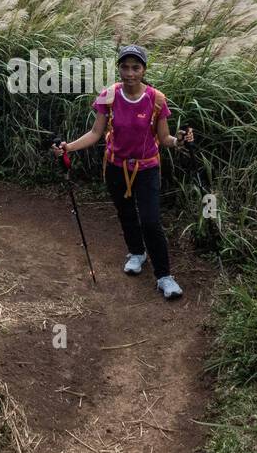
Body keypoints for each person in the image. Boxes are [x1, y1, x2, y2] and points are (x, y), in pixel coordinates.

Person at [51, 44, 194, 299]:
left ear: (144, 70)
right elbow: (96, 133)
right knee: (126, 213)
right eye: (125, 67)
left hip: (147, 167)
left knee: (151, 221)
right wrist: (68, 148)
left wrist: (179, 141)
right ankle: (137, 253)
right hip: (116, 166)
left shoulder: (156, 99)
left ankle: (164, 276)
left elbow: (165, 138)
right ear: (119, 68)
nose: (130, 73)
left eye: (135, 68)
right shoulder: (109, 95)